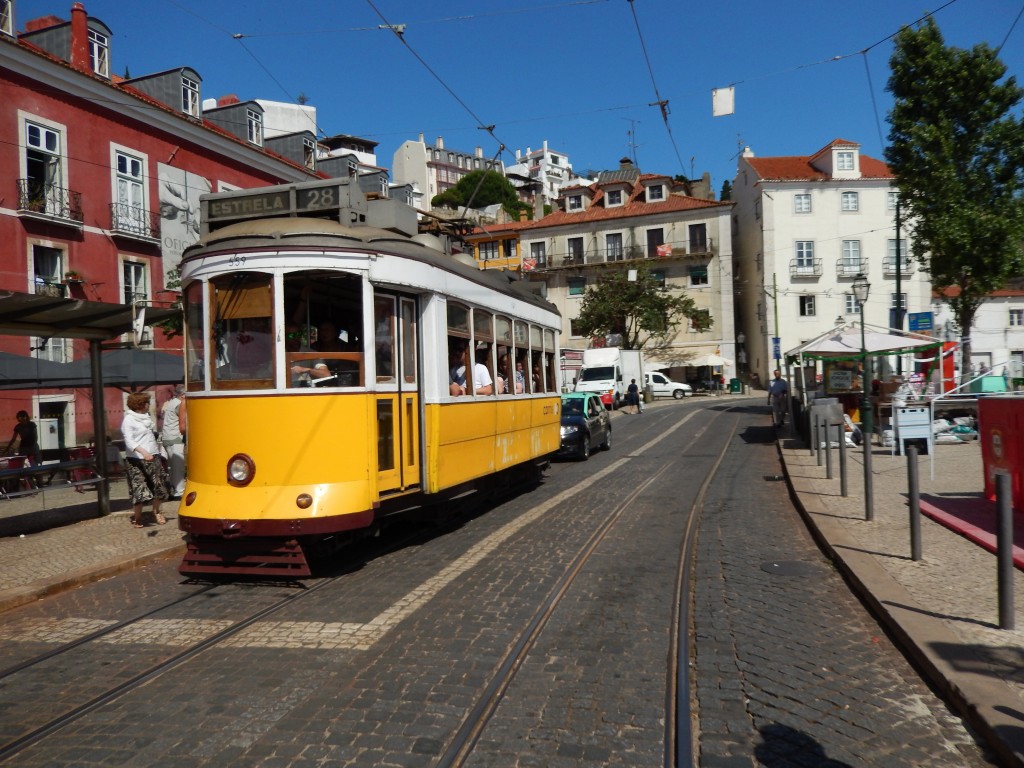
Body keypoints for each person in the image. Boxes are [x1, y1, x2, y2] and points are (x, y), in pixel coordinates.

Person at [122, 391, 170, 528]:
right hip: (135, 460)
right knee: (139, 488)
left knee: (159, 485)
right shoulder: (129, 419)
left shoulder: (145, 417)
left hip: (153, 456)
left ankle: (157, 512)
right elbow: (129, 441)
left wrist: (158, 452)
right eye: (147, 402)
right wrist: (143, 452)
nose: (149, 404)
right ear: (142, 404)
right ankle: (138, 517)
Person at [160, 384, 187, 500]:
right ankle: (179, 492)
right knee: (178, 467)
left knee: (172, 467)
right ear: (183, 395)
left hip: (167, 438)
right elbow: (182, 425)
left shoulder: (171, 403)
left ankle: (173, 489)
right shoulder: (179, 404)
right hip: (175, 438)